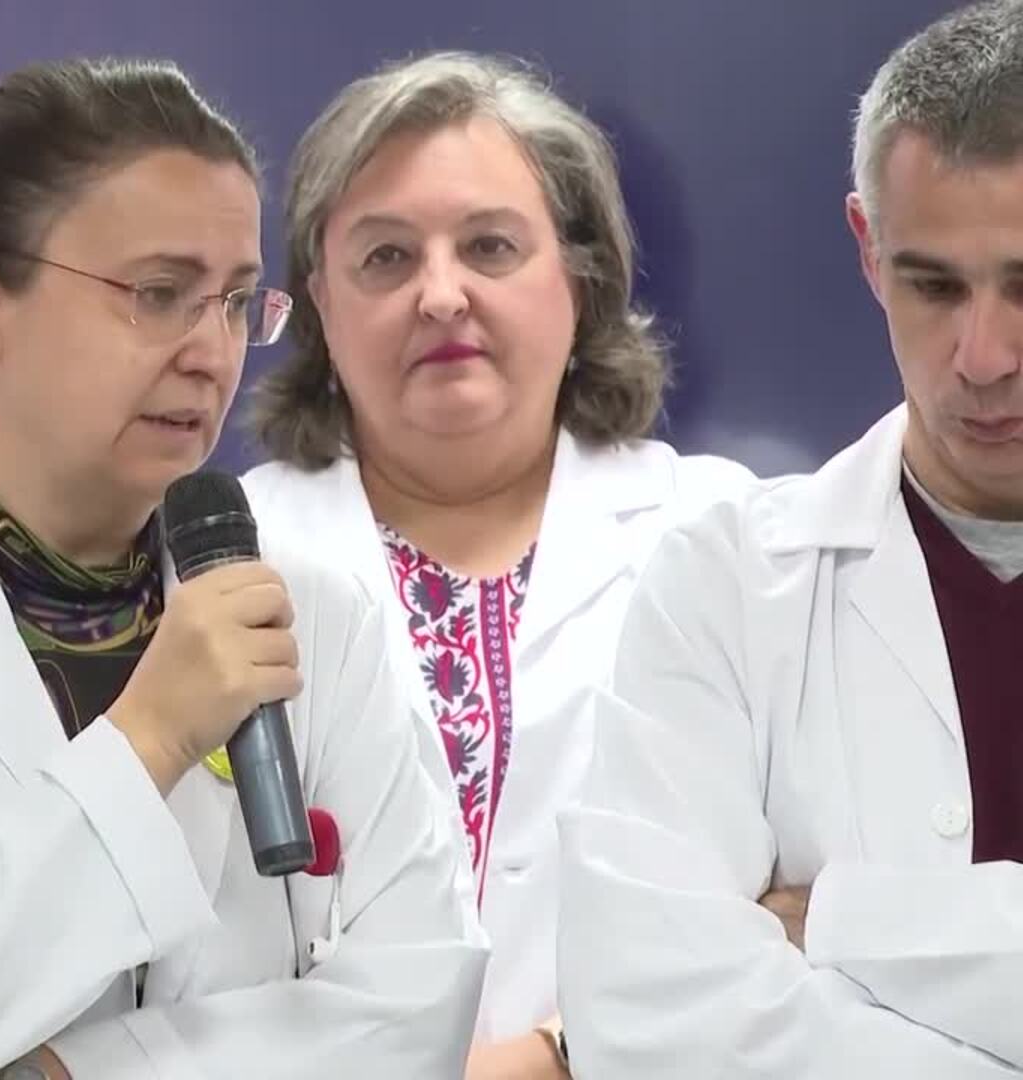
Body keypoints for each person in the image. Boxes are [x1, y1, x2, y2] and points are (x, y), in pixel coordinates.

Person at [0, 56, 489, 1079]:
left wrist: (70, 1071)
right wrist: (148, 736)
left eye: (236, 302)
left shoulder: (317, 617)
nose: (212, 352)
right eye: (159, 294)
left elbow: (419, 1008)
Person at [240, 50, 753, 1076]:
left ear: (580, 280)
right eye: (386, 257)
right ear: (321, 307)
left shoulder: (729, 537)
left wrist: (561, 1053)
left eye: (489, 246)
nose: (441, 295)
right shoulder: (219, 562)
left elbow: (785, 915)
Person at [559, 3, 1023, 1075]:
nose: (984, 356)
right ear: (867, 249)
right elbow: (649, 1019)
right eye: (933, 284)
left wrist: (844, 923)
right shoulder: (722, 585)